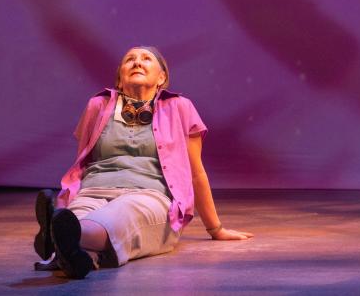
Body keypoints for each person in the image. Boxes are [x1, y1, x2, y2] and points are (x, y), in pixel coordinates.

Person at [33, 46, 252, 278]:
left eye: (146, 59)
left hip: (149, 196)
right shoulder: (98, 105)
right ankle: (77, 252)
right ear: (119, 78)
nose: (137, 63)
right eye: (130, 60)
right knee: (78, 217)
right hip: (94, 190)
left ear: (162, 77)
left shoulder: (180, 107)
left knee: (119, 216)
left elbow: (196, 173)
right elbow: (82, 161)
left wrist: (215, 228)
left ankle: (56, 237)